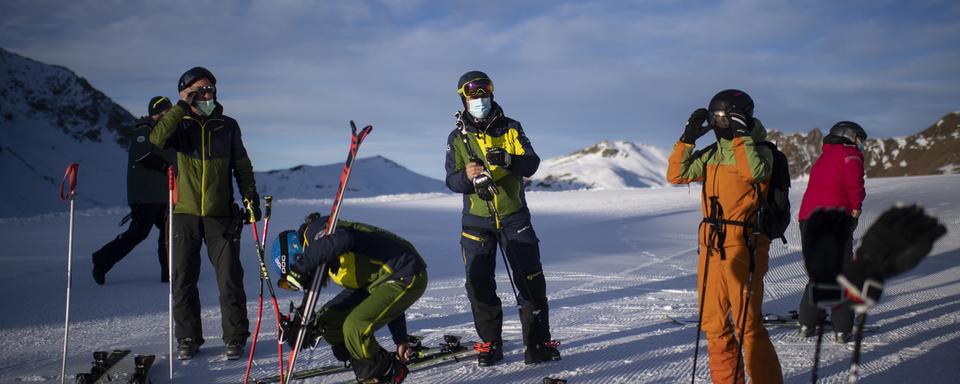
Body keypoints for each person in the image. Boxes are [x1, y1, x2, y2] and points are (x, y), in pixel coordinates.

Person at [443, 70, 560, 366]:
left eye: (484, 92)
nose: (479, 98)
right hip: (475, 222)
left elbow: (531, 163)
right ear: (464, 98)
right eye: (473, 94)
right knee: (479, 285)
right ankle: (490, 345)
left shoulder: (511, 127)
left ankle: (537, 346)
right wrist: (466, 177)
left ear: (492, 94)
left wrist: (509, 161)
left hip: (513, 217)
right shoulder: (458, 137)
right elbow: (451, 181)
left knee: (531, 280)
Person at [666, 89, 783, 383]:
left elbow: (754, 172)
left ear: (740, 117)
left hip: (745, 245)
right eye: (715, 116)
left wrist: (742, 136)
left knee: (747, 325)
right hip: (711, 246)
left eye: (724, 117)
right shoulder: (713, 154)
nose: (719, 122)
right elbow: (677, 174)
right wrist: (688, 138)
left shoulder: (761, 150)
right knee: (714, 324)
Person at [149, 67, 259, 361]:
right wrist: (182, 105)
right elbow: (157, 140)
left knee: (230, 279)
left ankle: (235, 338)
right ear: (186, 93)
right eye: (199, 89)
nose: (206, 93)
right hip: (183, 213)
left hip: (220, 214)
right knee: (183, 278)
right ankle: (188, 337)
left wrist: (250, 195)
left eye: (209, 88)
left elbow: (242, 165)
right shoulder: (179, 125)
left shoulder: (227, 125)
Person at [274, 213, 427, 384]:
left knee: (355, 325)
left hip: (407, 273)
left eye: (291, 281)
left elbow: (343, 238)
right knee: (328, 321)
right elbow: (386, 301)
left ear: (296, 256)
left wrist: (301, 268)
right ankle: (366, 362)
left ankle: (387, 371)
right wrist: (401, 339)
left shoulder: (316, 231)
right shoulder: (322, 259)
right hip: (380, 283)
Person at [796, 121, 868, 343]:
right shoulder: (850, 155)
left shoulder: (824, 157)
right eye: (859, 138)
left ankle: (807, 323)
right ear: (847, 136)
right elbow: (855, 186)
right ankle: (842, 327)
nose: (861, 144)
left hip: (808, 219)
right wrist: (856, 210)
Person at [92, 96, 175, 285]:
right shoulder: (143, 129)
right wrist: (165, 167)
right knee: (138, 233)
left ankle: (169, 272)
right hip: (146, 195)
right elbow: (143, 154)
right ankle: (101, 259)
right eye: (168, 111)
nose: (170, 114)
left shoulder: (163, 131)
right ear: (159, 111)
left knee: (169, 233)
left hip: (162, 194)